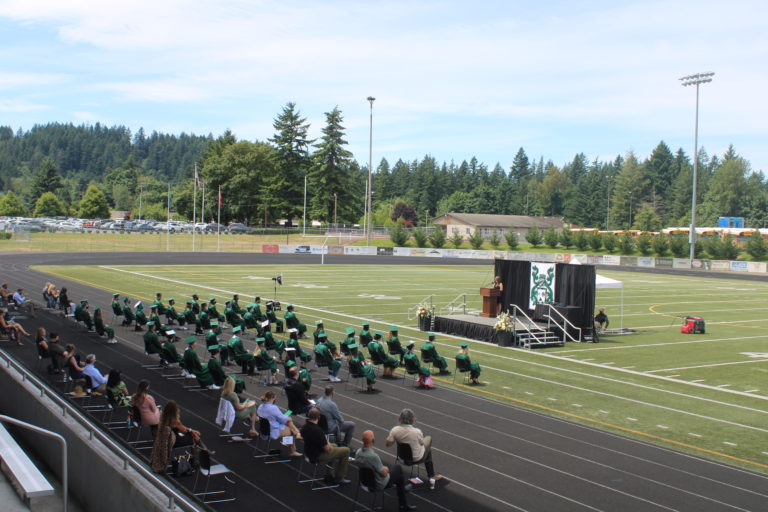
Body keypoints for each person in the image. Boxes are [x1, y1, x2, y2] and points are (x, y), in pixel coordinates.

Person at [356, 430, 416, 511]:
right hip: (377, 484)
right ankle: (403, 504)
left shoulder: (358, 452)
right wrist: (386, 468)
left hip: (363, 482)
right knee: (398, 469)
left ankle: (403, 496)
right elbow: (383, 473)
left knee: (400, 478)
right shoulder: (373, 457)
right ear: (373, 440)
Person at [386, 409, 441, 489]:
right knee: (428, 441)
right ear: (412, 419)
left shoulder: (395, 430)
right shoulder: (417, 432)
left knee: (425, 448)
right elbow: (422, 443)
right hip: (416, 459)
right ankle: (431, 477)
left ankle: (431, 476)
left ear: (400, 419)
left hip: (401, 458)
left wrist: (393, 436)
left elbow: (388, 444)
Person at [150, 400, 207, 473]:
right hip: (174, 441)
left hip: (166, 441)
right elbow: (184, 430)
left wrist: (192, 431)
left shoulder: (162, 417)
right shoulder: (175, 420)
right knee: (194, 437)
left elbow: (184, 429)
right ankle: (196, 459)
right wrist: (193, 431)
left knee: (193, 434)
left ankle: (203, 451)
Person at [300, 408, 350, 484]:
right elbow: (326, 448)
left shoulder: (304, 427)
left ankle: (329, 474)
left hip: (308, 452)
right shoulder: (318, 430)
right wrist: (328, 445)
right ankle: (340, 477)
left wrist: (329, 445)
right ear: (319, 417)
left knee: (335, 445)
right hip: (317, 455)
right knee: (346, 450)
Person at [256, 390, 302, 457]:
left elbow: (276, 418)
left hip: (263, 430)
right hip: (271, 432)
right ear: (273, 398)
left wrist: (286, 418)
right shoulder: (273, 408)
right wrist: (288, 418)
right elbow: (283, 419)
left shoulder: (260, 406)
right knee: (290, 427)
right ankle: (292, 449)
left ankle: (296, 434)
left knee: (289, 423)